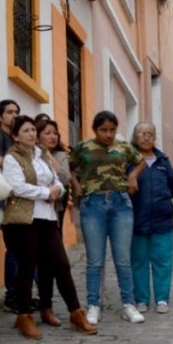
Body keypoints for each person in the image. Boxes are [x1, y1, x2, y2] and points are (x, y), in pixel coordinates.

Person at [0, 116, 98, 339]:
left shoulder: (42, 155)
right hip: (25, 220)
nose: (32, 134)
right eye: (25, 131)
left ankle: (76, 312)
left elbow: (58, 181)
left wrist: (58, 191)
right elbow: (16, 187)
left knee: (61, 264)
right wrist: (47, 193)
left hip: (48, 218)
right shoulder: (12, 158)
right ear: (15, 136)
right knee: (26, 267)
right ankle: (24, 315)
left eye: (33, 130)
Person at [69, 111, 146, 326]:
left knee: (122, 258)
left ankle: (128, 304)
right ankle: (93, 304)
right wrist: (76, 185)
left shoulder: (123, 147)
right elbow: (70, 167)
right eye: (103, 130)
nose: (108, 134)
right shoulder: (84, 147)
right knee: (95, 260)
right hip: (92, 205)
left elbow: (141, 162)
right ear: (95, 129)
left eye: (112, 129)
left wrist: (132, 176)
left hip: (121, 204)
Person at [128, 122, 173, 315]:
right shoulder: (129, 161)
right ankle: (141, 299)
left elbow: (172, 187)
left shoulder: (163, 161)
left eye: (150, 134)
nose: (146, 137)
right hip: (136, 220)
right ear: (135, 137)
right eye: (142, 133)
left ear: (155, 138)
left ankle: (162, 298)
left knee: (163, 260)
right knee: (139, 260)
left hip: (162, 220)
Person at [0, 99, 28, 315]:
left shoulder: (15, 139)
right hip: (5, 201)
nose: (14, 114)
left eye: (17, 111)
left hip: (20, 201)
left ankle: (20, 293)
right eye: (10, 111)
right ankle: (12, 295)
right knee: (13, 250)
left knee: (20, 250)